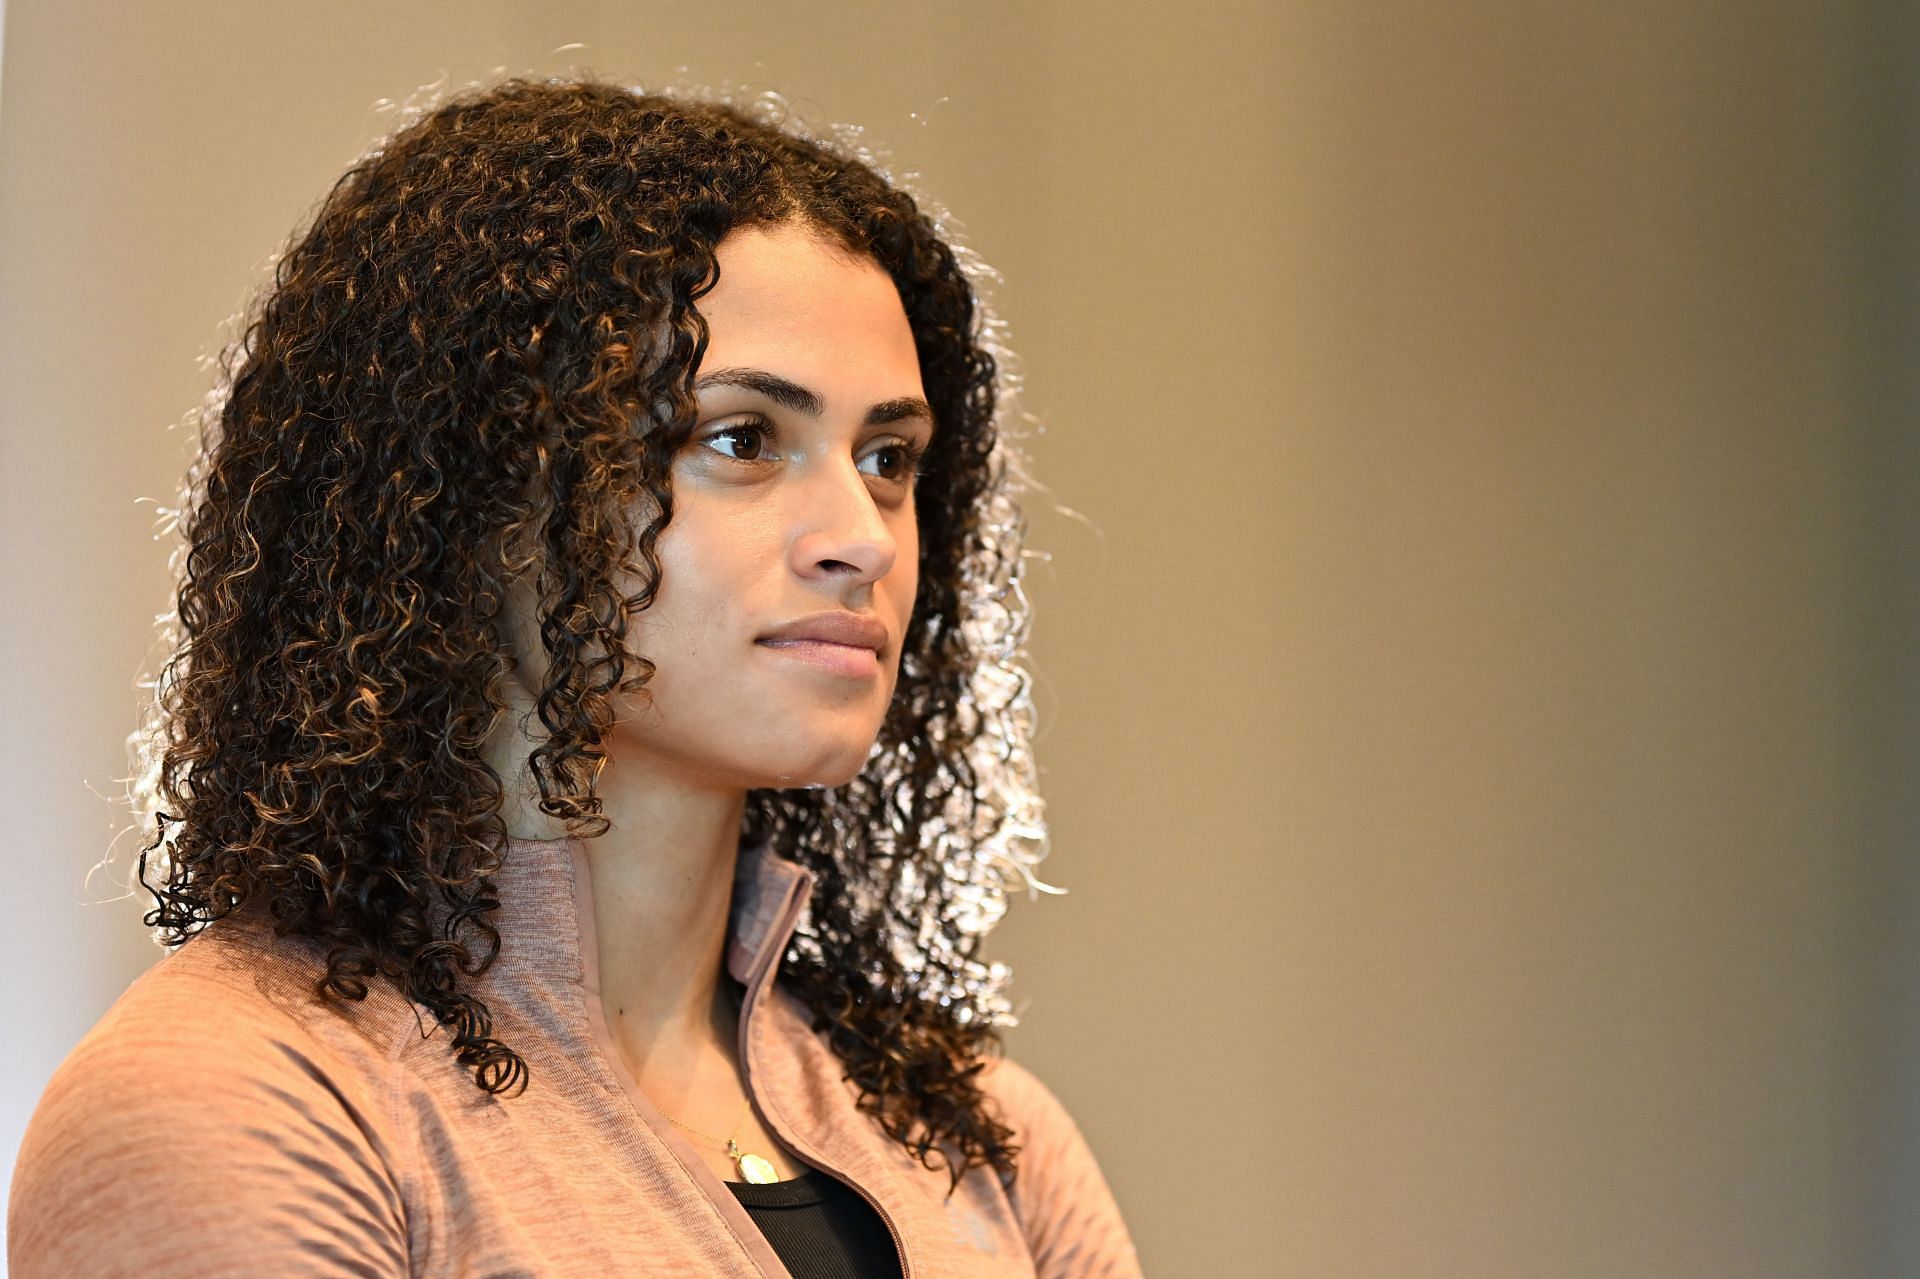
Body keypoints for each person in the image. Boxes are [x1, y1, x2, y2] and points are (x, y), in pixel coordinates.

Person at [6, 77, 1142, 1278]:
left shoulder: (990, 1141)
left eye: (888, 458)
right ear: (474, 492)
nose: (860, 534)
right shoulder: (247, 1096)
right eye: (741, 439)